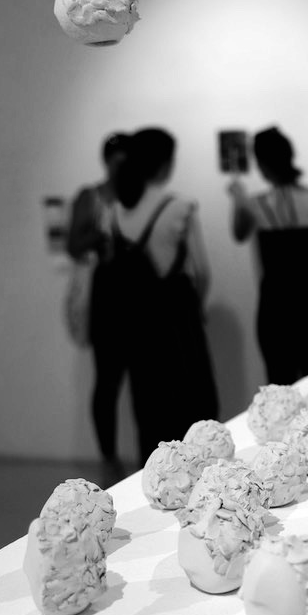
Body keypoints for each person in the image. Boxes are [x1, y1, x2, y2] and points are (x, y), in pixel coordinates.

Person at [91, 127, 219, 462]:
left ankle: (156, 476)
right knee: (193, 405)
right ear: (164, 162)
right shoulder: (180, 207)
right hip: (177, 318)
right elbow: (202, 271)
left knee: (148, 408)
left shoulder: (114, 211)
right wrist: (196, 308)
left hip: (137, 323)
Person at [228, 126, 308, 384]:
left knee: (282, 387)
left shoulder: (257, 205)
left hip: (279, 310)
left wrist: (238, 197)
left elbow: (239, 233)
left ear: (261, 165)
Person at [66, 132, 127, 468]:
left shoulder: (140, 195)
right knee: (107, 382)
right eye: (118, 160)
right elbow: (73, 245)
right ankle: (109, 457)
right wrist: (103, 232)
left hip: (135, 297)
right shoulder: (91, 197)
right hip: (105, 296)